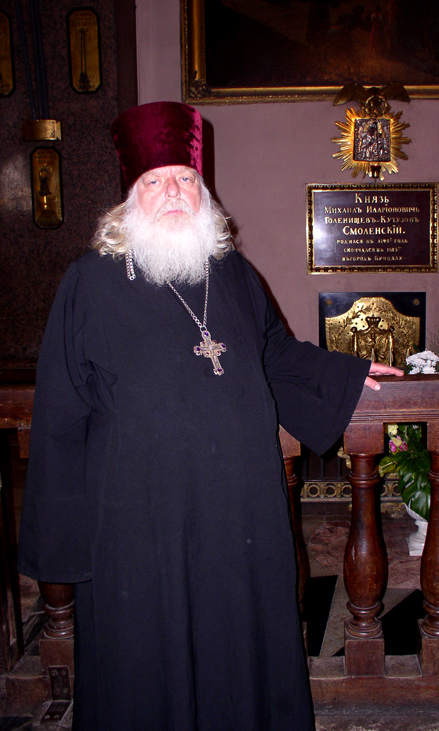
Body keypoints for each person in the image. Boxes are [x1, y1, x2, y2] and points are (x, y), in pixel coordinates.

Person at [18, 102, 403, 731]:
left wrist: (346, 372)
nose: (173, 191)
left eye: (185, 178)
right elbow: (60, 411)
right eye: (155, 181)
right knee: (146, 658)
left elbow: (273, 350)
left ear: (204, 191)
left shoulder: (232, 274)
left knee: (238, 645)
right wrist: (66, 541)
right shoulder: (87, 282)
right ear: (129, 199)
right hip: (137, 524)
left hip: (238, 513)